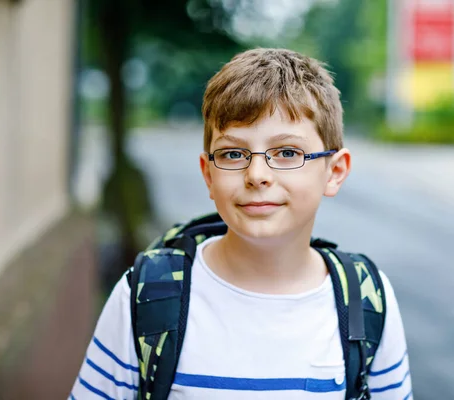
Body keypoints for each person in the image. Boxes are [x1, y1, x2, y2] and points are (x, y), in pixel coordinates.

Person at [70, 48, 412, 400]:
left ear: (334, 172)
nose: (257, 175)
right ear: (208, 174)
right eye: (234, 154)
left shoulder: (365, 299)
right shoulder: (146, 296)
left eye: (287, 153)